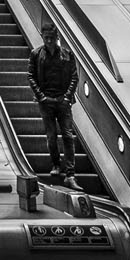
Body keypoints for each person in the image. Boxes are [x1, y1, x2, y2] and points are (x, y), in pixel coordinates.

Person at [27, 21, 81, 180]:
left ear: (56, 37)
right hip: (46, 101)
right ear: (42, 37)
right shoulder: (36, 54)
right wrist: (41, 96)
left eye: (51, 37)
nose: (49, 41)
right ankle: (56, 164)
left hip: (62, 101)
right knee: (51, 136)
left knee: (67, 135)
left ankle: (70, 173)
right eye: (46, 38)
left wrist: (67, 97)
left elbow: (74, 76)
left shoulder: (67, 54)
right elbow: (30, 76)